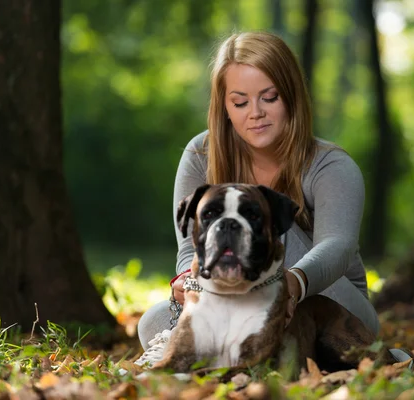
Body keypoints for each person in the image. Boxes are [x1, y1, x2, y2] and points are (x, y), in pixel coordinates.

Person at [137, 31, 381, 353]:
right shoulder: (201, 154)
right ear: (224, 106)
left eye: (269, 97)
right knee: (152, 322)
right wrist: (187, 281)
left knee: (268, 220)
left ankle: (350, 352)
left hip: (329, 303)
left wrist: (293, 283)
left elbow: (338, 246)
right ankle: (261, 355)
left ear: (292, 97)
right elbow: (190, 247)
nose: (255, 112)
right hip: (233, 298)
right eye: (240, 102)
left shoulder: (331, 165)